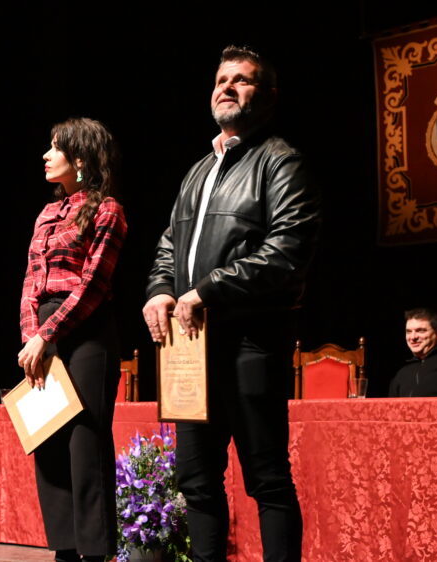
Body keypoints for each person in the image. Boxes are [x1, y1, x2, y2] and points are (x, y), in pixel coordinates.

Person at [142, 46, 320, 562]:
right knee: (196, 479)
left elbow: (287, 251)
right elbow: (170, 244)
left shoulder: (280, 161)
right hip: (192, 346)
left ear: (267, 96)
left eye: (242, 80)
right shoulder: (198, 170)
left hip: (252, 339)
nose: (227, 87)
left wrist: (208, 289)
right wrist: (160, 290)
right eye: (221, 79)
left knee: (267, 478)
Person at [18, 117, 127, 562]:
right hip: (43, 334)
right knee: (48, 440)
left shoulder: (108, 210)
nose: (46, 155)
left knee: (86, 443)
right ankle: (64, 551)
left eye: (55, 147)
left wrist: (46, 334)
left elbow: (93, 284)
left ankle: (95, 553)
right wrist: (31, 334)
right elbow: (31, 281)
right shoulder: (46, 214)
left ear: (80, 158)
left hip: (87, 330)